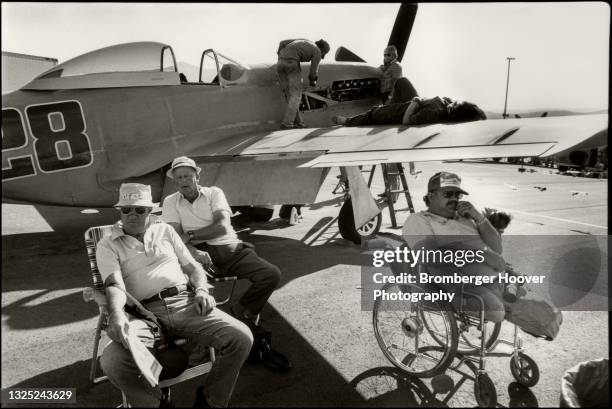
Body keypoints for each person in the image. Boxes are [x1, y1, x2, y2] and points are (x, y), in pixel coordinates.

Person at [97, 183, 253, 408]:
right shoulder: (108, 243)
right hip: (143, 314)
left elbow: (193, 268)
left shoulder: (165, 231)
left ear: (149, 211)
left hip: (184, 303)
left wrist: (201, 290)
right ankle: (155, 403)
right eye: (126, 209)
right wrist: (117, 315)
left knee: (241, 337)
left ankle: (211, 401)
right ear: (119, 211)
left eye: (140, 209)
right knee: (112, 361)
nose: (132, 215)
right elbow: (114, 284)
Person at [162, 156, 281, 326]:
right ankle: (206, 332)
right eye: (179, 177)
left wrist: (189, 236)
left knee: (271, 274)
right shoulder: (170, 201)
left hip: (232, 251)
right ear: (175, 182)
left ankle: (241, 312)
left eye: (188, 175)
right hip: (200, 256)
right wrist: (194, 251)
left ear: (197, 177)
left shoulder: (214, 193)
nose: (184, 181)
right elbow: (175, 237)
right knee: (187, 288)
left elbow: (222, 227)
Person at [402, 172, 507, 322]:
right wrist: (482, 255)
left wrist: (479, 217)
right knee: (499, 312)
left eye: (457, 195)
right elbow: (430, 256)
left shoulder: (464, 217)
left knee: (544, 312)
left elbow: (497, 247)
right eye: (448, 194)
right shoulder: (418, 220)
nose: (454, 199)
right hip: (463, 285)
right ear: (431, 197)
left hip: (495, 277)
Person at [276, 38, 330, 129]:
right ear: (323, 50)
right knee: (296, 96)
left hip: (280, 64)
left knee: (290, 95)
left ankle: (299, 122)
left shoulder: (304, 41)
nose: (321, 56)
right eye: (323, 54)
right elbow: (313, 71)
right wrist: (313, 82)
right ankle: (287, 123)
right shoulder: (317, 51)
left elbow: (282, 42)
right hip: (292, 63)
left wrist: (282, 57)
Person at [334, 96, 486, 127]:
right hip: (393, 110)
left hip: (392, 114)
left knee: (371, 116)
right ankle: (347, 121)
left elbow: (407, 121)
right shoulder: (443, 107)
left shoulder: (436, 112)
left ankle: (347, 122)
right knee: (372, 114)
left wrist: (416, 101)